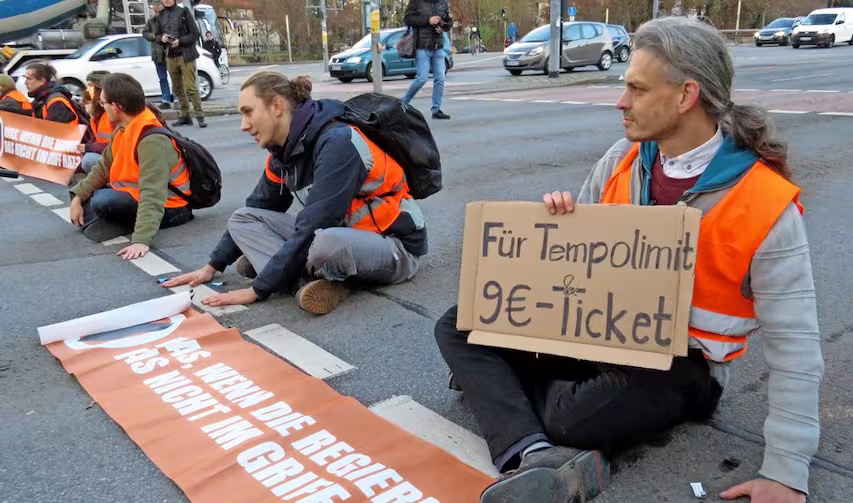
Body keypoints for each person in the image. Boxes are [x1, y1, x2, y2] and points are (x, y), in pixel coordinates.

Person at [435, 17, 822, 503]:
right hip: (599, 333)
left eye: (637, 89)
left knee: (570, 418)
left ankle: (499, 389)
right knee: (459, 322)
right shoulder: (623, 157)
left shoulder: (768, 206)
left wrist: (786, 473)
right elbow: (570, 272)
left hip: (682, 366)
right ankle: (535, 452)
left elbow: (798, 352)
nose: (622, 102)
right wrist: (559, 221)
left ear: (685, 96)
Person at [162, 72, 427, 313]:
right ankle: (307, 279)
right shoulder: (283, 153)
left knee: (324, 243)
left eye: (248, 112)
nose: (243, 125)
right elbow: (259, 207)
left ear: (276, 106)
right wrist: (213, 266)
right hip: (336, 235)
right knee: (243, 218)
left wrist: (258, 289)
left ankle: (297, 277)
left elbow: (314, 224)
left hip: (393, 247)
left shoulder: (339, 142)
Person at [69, 73, 194, 260]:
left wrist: (141, 239)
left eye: (103, 103)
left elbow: (153, 193)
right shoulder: (123, 129)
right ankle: (111, 219)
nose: (101, 107)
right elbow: (103, 167)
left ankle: (121, 222)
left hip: (173, 208)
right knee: (84, 193)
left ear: (116, 107)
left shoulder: (151, 140)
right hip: (134, 195)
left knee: (101, 200)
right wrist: (77, 197)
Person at [154, 0, 206, 128]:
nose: (166, 0)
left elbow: (195, 34)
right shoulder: (160, 16)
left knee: (190, 87)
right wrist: (162, 38)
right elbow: (156, 36)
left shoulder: (183, 12)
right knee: (177, 89)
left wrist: (180, 41)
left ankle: (199, 116)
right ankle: (185, 116)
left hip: (185, 55)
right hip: (170, 56)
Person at [401, 0, 452, 120]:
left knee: (440, 78)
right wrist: (428, 21)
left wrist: (443, 26)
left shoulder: (442, 2)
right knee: (422, 78)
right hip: (422, 47)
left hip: (438, 46)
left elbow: (449, 22)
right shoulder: (416, 2)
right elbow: (408, 19)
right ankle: (402, 103)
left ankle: (436, 109)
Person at [76, 71, 114, 173]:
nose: (87, 90)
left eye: (90, 86)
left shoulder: (112, 113)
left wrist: (89, 147)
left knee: (88, 160)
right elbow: (95, 138)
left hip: (117, 157)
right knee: (84, 159)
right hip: (106, 154)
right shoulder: (97, 114)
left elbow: (117, 145)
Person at [143, 3, 174, 110]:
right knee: (162, 78)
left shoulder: (170, 20)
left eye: (159, 11)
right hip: (158, 54)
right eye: (155, 11)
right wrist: (154, 36)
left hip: (170, 53)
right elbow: (145, 33)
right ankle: (166, 99)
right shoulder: (152, 21)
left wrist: (167, 38)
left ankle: (176, 99)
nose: (157, 13)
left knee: (175, 77)